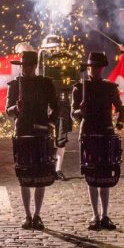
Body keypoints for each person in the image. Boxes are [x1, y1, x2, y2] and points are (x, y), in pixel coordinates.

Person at [72, 52, 124, 230]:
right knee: (91, 176)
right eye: (91, 67)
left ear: (101, 68)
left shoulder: (109, 88)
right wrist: (80, 111)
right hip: (89, 132)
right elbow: (74, 114)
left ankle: (105, 214)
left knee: (104, 175)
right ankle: (95, 214)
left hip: (105, 132)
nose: (94, 70)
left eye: (97, 67)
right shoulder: (80, 88)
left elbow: (120, 108)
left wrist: (119, 122)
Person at [6, 50, 59, 230]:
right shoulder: (15, 84)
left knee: (40, 175)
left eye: (29, 65)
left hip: (41, 132)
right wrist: (16, 108)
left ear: (35, 66)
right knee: (24, 175)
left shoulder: (45, 83)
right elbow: (8, 110)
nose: (26, 68)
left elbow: (56, 107)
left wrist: (50, 122)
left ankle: (37, 214)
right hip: (22, 132)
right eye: (24, 65)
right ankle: (27, 215)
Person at [39, 34, 73, 181]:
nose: (54, 51)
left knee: (61, 137)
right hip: (43, 102)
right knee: (43, 134)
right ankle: (45, 165)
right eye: (50, 49)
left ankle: (58, 168)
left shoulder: (66, 61)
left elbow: (71, 81)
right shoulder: (40, 60)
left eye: (56, 49)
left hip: (61, 102)